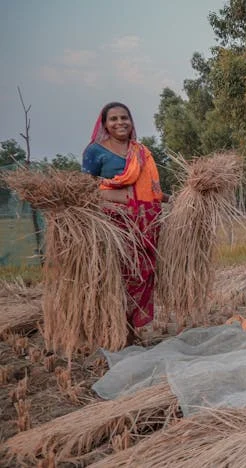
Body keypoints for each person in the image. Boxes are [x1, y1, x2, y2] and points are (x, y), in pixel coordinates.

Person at [82, 102, 168, 346]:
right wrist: (115, 198)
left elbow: (153, 192)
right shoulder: (95, 151)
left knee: (142, 275)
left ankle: (130, 330)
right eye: (113, 119)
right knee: (117, 277)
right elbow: (84, 189)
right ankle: (115, 330)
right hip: (113, 224)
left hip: (145, 224)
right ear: (105, 124)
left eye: (124, 118)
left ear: (132, 121)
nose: (120, 123)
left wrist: (181, 198)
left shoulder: (140, 151)